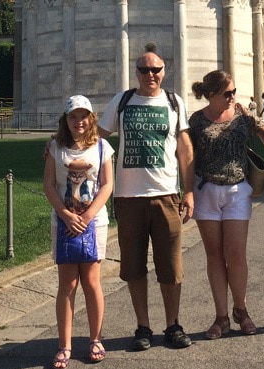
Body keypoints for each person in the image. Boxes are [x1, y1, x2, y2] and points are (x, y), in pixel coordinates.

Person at [98, 49, 195, 351]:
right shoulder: (122, 101)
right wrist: (59, 146)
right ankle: (143, 327)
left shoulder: (174, 102)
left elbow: (185, 150)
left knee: (171, 267)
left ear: (165, 71)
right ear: (136, 71)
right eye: (144, 70)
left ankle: (173, 325)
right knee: (133, 267)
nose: (150, 75)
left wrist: (189, 190)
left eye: (156, 69)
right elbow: (96, 138)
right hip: (128, 198)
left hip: (166, 196)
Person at [188, 70, 264, 340]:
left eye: (233, 92)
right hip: (206, 191)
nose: (232, 97)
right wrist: (186, 190)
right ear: (211, 95)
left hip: (237, 191)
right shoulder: (197, 121)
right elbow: (188, 158)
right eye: (227, 93)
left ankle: (241, 310)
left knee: (236, 255)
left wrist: (253, 119)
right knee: (214, 255)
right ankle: (221, 316)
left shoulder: (242, 118)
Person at [44, 95, 115, 367]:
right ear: (66, 120)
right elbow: (49, 185)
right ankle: (65, 345)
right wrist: (65, 214)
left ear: (91, 118)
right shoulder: (55, 147)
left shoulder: (102, 147)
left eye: (83, 116)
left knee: (92, 281)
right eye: (73, 117)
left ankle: (95, 339)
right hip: (63, 221)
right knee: (68, 283)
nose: (79, 121)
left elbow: (107, 185)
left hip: (93, 221)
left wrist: (86, 216)